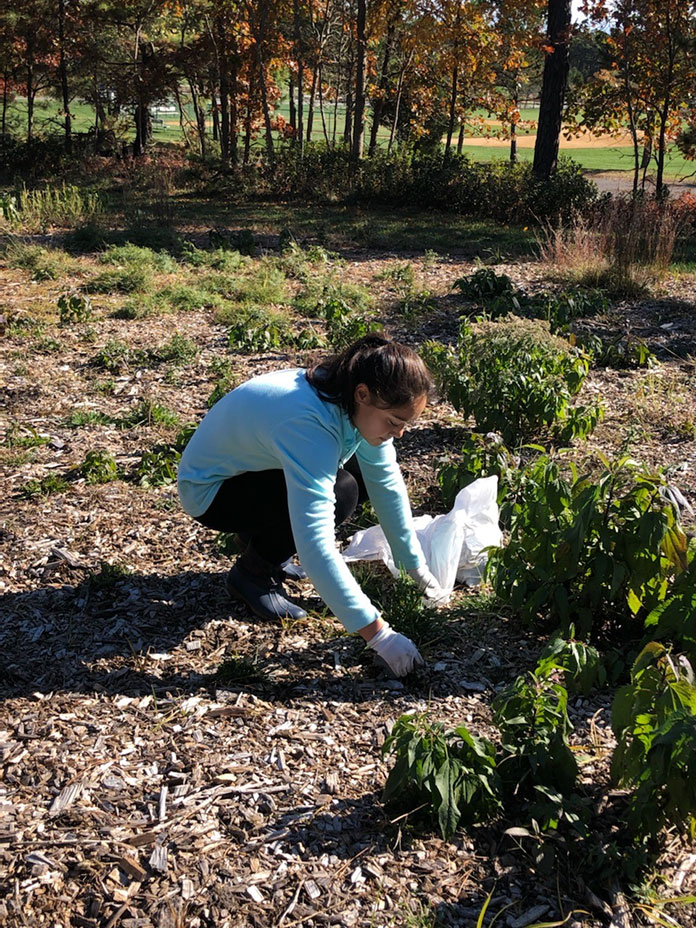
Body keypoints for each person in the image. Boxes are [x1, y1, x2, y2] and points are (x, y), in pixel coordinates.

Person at [177, 334, 445, 677]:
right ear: (363, 394)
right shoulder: (309, 421)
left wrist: (417, 571)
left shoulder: (347, 397)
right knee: (343, 491)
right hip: (210, 492)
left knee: (362, 475)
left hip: (250, 471)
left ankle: (260, 540)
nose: (400, 434)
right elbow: (315, 540)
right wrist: (379, 636)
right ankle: (252, 574)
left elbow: (386, 483)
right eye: (395, 422)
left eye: (407, 424)